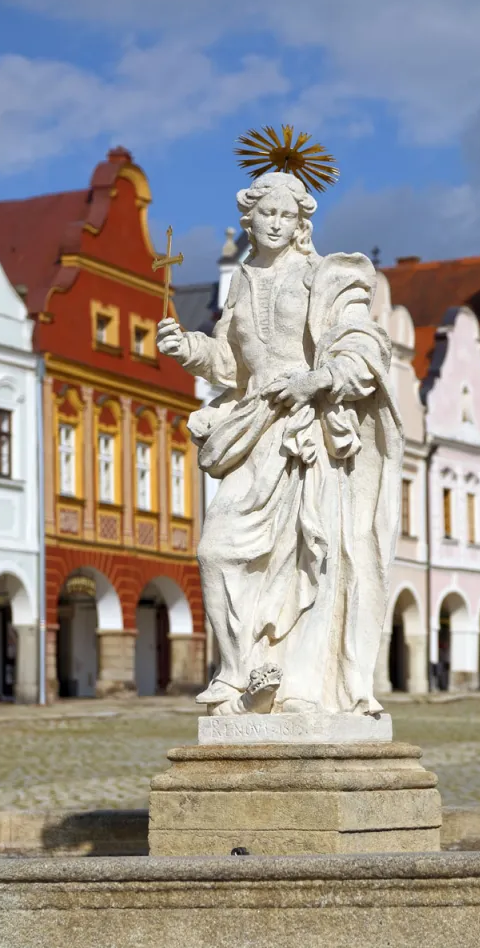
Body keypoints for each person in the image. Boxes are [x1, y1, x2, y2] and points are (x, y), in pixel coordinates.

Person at [157, 171, 404, 715]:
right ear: (250, 218)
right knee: (216, 550)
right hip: (254, 427)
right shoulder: (242, 281)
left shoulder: (325, 277)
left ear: (300, 223)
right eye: (265, 213)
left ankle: (301, 688)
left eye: (285, 215)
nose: (274, 222)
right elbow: (231, 362)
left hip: (308, 428)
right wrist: (188, 348)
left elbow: (364, 347)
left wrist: (322, 378)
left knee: (311, 557)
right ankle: (237, 674)